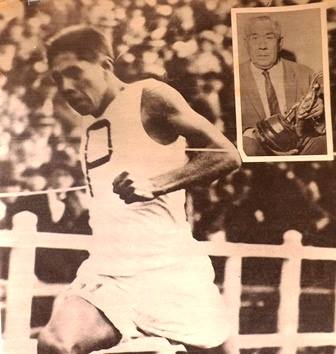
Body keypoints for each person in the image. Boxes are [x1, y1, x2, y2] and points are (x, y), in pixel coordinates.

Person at [37, 25, 241, 354]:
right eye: (58, 78)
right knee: (55, 344)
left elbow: (227, 155)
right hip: (109, 271)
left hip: (168, 268)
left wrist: (157, 184)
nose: (66, 86)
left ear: (105, 64)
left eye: (74, 72)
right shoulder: (88, 124)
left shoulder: (148, 96)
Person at [239, 15, 326, 156]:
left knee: (325, 143)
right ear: (245, 43)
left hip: (302, 147)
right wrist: (257, 138)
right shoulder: (232, 77)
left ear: (280, 43)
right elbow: (228, 126)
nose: (262, 46)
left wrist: (321, 112)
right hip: (256, 149)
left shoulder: (306, 73)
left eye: (269, 37)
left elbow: (323, 124)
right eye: (254, 38)